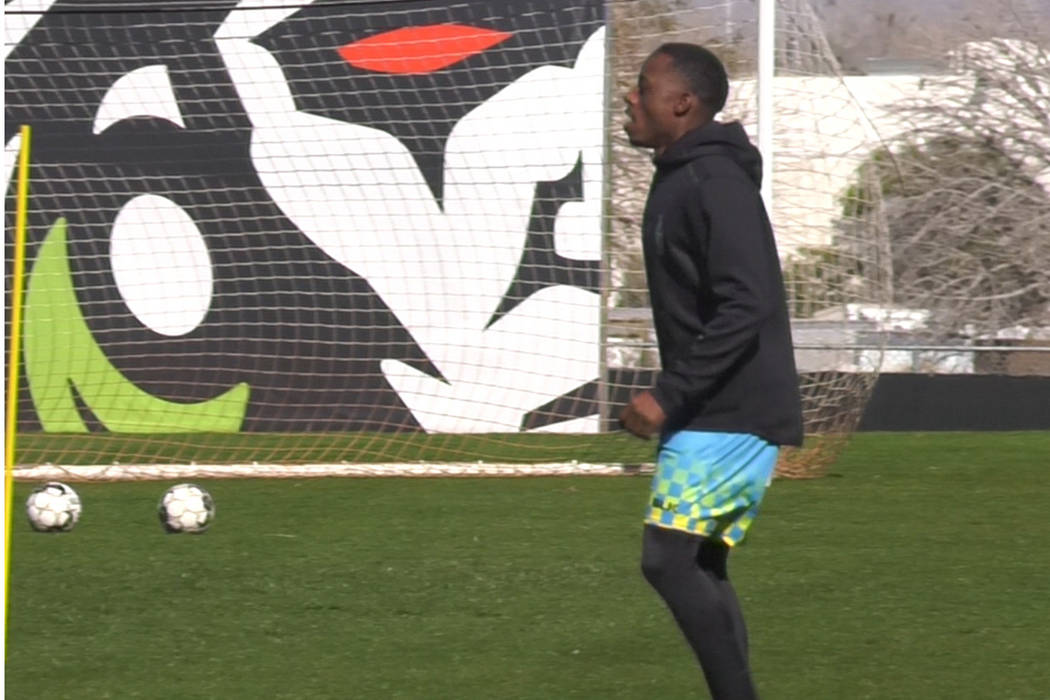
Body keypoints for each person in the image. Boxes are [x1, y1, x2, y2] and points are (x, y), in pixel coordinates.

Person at [619, 42, 804, 699]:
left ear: (682, 103)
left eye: (643, 88)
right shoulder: (681, 174)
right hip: (715, 408)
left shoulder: (714, 180)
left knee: (666, 561)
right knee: (698, 562)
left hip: (732, 407)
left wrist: (670, 394)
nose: (630, 98)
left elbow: (749, 298)